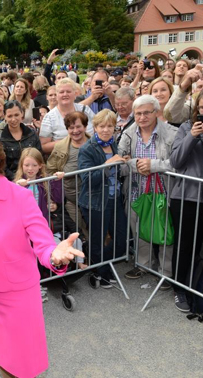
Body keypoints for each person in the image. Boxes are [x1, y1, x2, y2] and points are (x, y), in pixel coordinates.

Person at [0, 128, 84, 378]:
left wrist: (55, 253)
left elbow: (42, 242)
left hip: (19, 294)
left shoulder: (19, 197)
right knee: (2, 357)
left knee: (23, 362)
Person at [170, 85, 203, 312]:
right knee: (184, 246)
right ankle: (179, 289)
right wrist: (192, 137)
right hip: (185, 197)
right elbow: (176, 161)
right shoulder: (185, 127)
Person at [118, 95, 177, 288]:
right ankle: (143, 264)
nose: (142, 117)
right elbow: (122, 161)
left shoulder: (172, 133)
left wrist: (154, 165)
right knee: (138, 227)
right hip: (136, 190)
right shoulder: (128, 133)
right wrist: (136, 165)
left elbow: (179, 165)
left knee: (164, 230)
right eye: (138, 113)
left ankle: (165, 272)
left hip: (164, 191)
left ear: (156, 112)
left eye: (146, 113)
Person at [78, 109, 129, 288]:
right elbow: (88, 179)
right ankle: (102, 273)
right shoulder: (87, 149)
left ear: (115, 128)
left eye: (110, 126)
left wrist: (123, 162)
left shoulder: (115, 144)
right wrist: (107, 165)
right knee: (98, 240)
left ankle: (98, 265)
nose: (106, 130)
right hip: (95, 201)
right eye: (102, 126)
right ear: (95, 127)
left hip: (114, 199)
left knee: (121, 241)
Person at [47, 111, 91, 238]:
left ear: (85, 126)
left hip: (91, 196)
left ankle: (96, 254)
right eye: (71, 128)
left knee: (93, 225)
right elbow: (50, 169)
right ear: (67, 129)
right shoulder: (60, 146)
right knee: (78, 228)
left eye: (78, 126)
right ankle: (86, 253)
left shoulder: (94, 144)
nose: (75, 131)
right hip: (69, 198)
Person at [40, 79, 95, 154]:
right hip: (66, 159)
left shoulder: (85, 110)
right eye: (61, 92)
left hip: (91, 154)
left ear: (75, 94)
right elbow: (44, 146)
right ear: (57, 95)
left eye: (68, 91)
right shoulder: (49, 117)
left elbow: (98, 130)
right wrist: (70, 142)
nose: (65, 94)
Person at [15, 147, 62, 223]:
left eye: (34, 165)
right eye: (26, 165)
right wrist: (18, 186)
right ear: (21, 165)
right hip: (24, 221)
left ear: (40, 166)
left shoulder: (45, 181)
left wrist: (57, 180)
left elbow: (58, 198)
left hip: (41, 220)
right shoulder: (16, 183)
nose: (30, 168)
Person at [0, 100, 43, 180]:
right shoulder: (0, 140)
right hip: (13, 182)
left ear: (22, 113)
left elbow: (40, 156)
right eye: (10, 116)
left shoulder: (31, 133)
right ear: (4, 116)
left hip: (34, 179)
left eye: (16, 115)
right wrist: (17, 179)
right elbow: (2, 166)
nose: (13, 119)